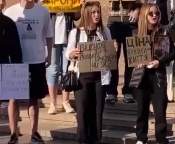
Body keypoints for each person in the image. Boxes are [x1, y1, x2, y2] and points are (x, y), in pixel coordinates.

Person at [4, 0, 53, 143]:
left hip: (36, 61)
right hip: (16, 61)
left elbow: (48, 36)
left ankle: (34, 133)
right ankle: (13, 134)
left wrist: (48, 55)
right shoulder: (10, 12)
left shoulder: (43, 12)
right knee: (13, 98)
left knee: (34, 99)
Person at [65, 1, 112, 143]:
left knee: (97, 113)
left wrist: (112, 49)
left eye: (98, 12)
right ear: (87, 14)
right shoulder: (76, 32)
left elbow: (110, 54)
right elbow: (68, 53)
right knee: (83, 112)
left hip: (100, 77)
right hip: (82, 78)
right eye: (94, 12)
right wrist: (73, 53)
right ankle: (83, 140)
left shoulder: (105, 31)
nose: (97, 15)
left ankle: (96, 140)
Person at [132, 4, 175, 144]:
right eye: (151, 13)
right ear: (145, 15)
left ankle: (161, 137)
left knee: (160, 109)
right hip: (141, 76)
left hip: (158, 75)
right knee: (142, 110)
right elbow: (130, 57)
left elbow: (174, 53)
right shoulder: (136, 33)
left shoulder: (164, 31)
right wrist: (136, 62)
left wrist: (159, 61)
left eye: (157, 13)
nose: (155, 15)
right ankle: (141, 138)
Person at [0, 0, 23, 143]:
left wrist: (18, 69)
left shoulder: (8, 23)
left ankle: (14, 133)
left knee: (13, 100)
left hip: (6, 64)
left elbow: (16, 48)